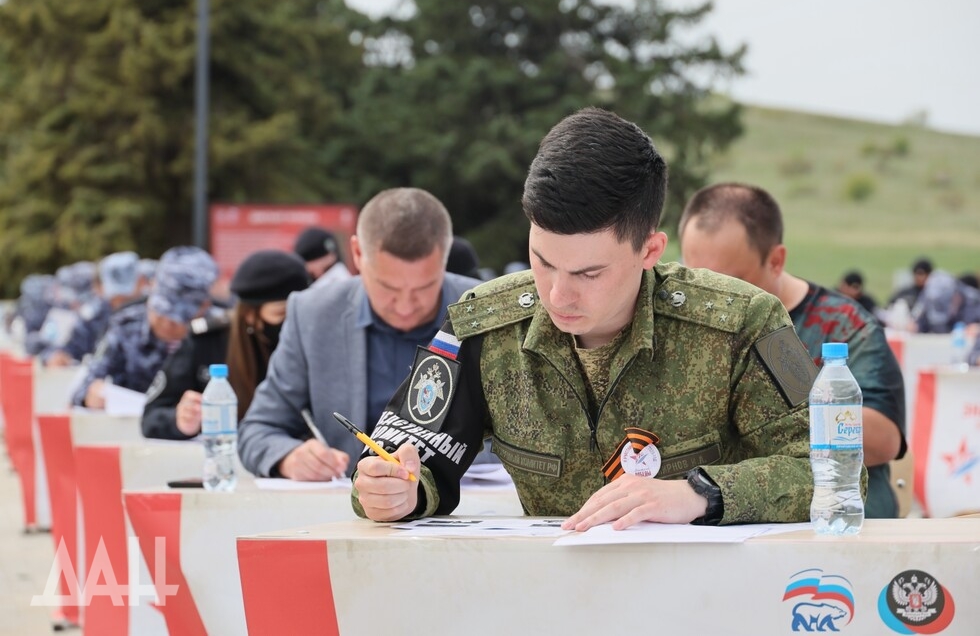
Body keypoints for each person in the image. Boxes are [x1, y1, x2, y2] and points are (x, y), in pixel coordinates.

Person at [352, 108, 819, 528]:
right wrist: (393, 490)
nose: (558, 294)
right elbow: (405, 462)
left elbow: (828, 470)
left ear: (649, 251)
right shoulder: (483, 327)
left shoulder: (744, 323)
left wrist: (696, 495)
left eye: (589, 273)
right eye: (543, 261)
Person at [678, 182, 906, 518]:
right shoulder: (681, 319)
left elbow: (884, 440)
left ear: (776, 260)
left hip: (833, 522)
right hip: (721, 519)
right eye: (695, 278)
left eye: (729, 281)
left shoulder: (843, 326)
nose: (711, 295)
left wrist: (780, 379)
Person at [239, 188, 485, 481]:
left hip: (469, 512)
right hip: (347, 515)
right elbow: (258, 429)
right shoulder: (313, 315)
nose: (405, 307)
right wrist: (290, 457)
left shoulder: (486, 311)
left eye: (423, 288)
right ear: (357, 254)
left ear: (445, 258)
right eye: (388, 288)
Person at [142, 249, 310, 440]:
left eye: (300, 313)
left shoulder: (317, 343)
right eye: (281, 314)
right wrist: (180, 420)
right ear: (250, 315)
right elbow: (152, 417)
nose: (292, 324)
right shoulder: (208, 341)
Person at [71, 246, 218, 409]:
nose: (169, 323)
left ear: (204, 306)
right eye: (162, 311)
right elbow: (82, 388)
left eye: (181, 317)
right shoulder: (126, 327)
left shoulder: (218, 332)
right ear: (152, 286)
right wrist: (91, 396)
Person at [43, 251, 145, 367]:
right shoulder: (96, 315)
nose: (121, 303)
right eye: (116, 297)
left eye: (127, 298)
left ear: (141, 282)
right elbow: (71, 345)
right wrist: (58, 356)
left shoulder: (154, 315)